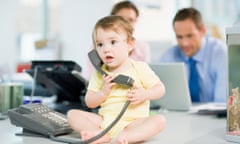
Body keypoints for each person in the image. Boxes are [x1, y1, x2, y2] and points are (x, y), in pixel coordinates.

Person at [67, 16, 166, 144]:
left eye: (113, 42)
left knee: (159, 120)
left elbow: (160, 89)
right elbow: (89, 102)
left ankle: (128, 136)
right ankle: (100, 135)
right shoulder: (99, 73)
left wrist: (145, 94)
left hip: (133, 123)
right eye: (100, 45)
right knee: (72, 115)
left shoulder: (140, 68)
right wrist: (103, 93)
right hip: (104, 122)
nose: (106, 49)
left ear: (130, 44)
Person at [160, 7, 227, 103]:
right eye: (179, 37)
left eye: (189, 36)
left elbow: (222, 102)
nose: (184, 43)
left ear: (203, 31)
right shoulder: (169, 56)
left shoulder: (220, 53)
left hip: (214, 116)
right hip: (180, 116)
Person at [83, 1, 151, 80]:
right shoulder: (98, 46)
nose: (126, 23)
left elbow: (146, 80)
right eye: (121, 19)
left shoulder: (143, 48)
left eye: (131, 20)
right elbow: (89, 78)